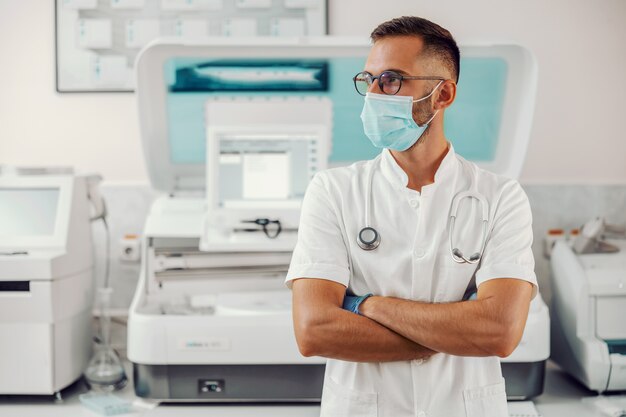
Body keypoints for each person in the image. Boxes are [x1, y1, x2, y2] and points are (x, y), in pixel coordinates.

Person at [285, 15, 537, 417]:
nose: (374, 95)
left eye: (392, 80)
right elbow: (314, 330)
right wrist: (456, 332)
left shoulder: (500, 196)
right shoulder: (333, 191)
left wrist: (364, 305)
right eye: (368, 81)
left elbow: (499, 331)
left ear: (443, 95)